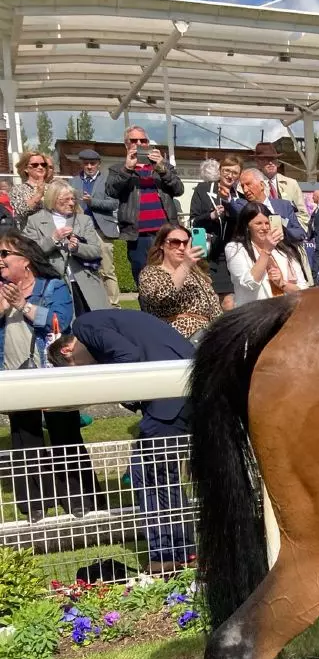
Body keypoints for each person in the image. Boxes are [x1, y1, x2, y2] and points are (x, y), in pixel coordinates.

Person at [47, 309, 196, 573]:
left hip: (169, 398)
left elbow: (129, 356)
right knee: (162, 476)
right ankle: (182, 552)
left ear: (68, 350)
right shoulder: (103, 325)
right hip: (181, 388)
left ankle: (165, 557)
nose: (89, 370)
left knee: (148, 475)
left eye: (80, 369)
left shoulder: (84, 325)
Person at [0, 230, 100, 521]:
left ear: (26, 260)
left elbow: (61, 321)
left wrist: (24, 305)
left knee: (64, 431)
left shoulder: (53, 286)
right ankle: (34, 505)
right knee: (24, 435)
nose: (0, 260)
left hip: (51, 370)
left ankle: (80, 499)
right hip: (14, 372)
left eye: (5, 254)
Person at [105, 126, 185, 286]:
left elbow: (178, 189)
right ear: (126, 145)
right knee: (143, 281)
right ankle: (146, 312)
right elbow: (111, 190)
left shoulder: (163, 166)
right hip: (138, 236)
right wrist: (127, 169)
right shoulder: (118, 168)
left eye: (143, 140)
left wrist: (162, 168)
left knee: (170, 279)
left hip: (165, 234)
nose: (139, 144)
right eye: (133, 141)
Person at [22, 180, 110, 315]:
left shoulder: (83, 220)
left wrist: (77, 248)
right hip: (54, 284)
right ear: (53, 199)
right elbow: (29, 253)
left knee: (95, 325)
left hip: (85, 282)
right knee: (63, 329)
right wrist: (53, 239)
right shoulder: (34, 221)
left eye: (73, 199)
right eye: (66, 199)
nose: (71, 203)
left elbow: (96, 251)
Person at [136, 223, 222, 341]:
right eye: (175, 242)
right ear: (161, 245)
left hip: (207, 335)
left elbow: (215, 310)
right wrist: (185, 265)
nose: (182, 248)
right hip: (173, 334)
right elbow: (160, 296)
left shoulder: (197, 274)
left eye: (186, 243)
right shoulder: (151, 272)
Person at [224, 202, 311, 306]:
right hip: (254, 315)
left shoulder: (283, 250)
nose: (264, 228)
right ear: (247, 226)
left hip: (284, 312)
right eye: (258, 223)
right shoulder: (235, 248)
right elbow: (249, 283)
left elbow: (303, 290)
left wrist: (282, 284)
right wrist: (266, 251)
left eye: (267, 223)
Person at [68, 148, 122, 307]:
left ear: (98, 164)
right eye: (86, 163)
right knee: (85, 271)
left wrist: (92, 202)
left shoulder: (107, 180)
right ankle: (93, 304)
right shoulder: (74, 181)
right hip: (80, 231)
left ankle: (114, 306)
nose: (89, 166)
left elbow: (114, 204)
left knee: (107, 271)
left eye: (92, 163)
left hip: (101, 230)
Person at [188, 155, 241, 310]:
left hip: (229, 255)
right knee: (207, 303)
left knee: (229, 302)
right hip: (206, 254)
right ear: (220, 171)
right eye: (227, 170)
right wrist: (210, 216)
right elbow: (193, 221)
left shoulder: (239, 197)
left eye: (235, 173)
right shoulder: (203, 190)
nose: (230, 175)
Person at [9, 150, 54, 226]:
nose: (40, 167)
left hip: (52, 232)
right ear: (26, 169)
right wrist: (39, 194)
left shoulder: (53, 188)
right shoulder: (18, 189)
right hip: (30, 234)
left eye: (43, 164)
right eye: (35, 165)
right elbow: (21, 210)